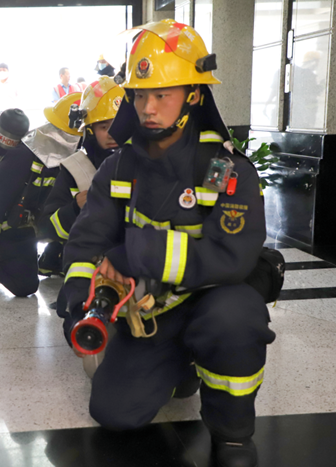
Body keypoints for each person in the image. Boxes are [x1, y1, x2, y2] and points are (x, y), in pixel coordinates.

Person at [61, 20, 275, 467]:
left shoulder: (225, 170)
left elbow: (231, 257)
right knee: (114, 413)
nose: (148, 108)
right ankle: (182, 366)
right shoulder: (118, 168)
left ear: (194, 95)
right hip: (153, 311)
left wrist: (133, 254)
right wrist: (80, 300)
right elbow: (85, 241)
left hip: (214, 300)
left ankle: (233, 435)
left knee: (235, 318)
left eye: (162, 94)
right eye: (140, 96)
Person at [0, 93, 83, 297]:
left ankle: (52, 259)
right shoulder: (23, 155)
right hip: (16, 225)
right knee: (25, 286)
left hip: (44, 221)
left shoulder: (80, 158)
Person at [37, 76, 124, 309]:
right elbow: (46, 228)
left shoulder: (146, 163)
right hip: (89, 264)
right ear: (90, 131)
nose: (113, 134)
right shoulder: (75, 169)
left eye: (118, 125)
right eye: (104, 127)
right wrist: (75, 208)